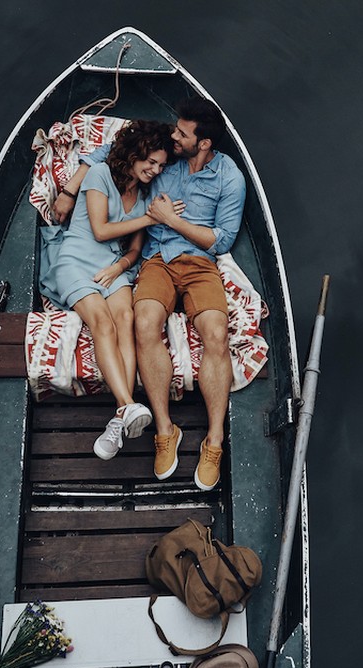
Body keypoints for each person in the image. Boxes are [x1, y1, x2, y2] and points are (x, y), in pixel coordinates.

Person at [38, 119, 174, 460]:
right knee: (102, 323)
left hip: (112, 267)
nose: (155, 170)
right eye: (151, 162)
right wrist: (152, 218)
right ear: (135, 154)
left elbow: (134, 250)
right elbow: (100, 230)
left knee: (125, 318)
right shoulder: (99, 174)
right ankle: (128, 405)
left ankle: (119, 418)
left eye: (161, 165)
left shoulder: (144, 196)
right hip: (76, 260)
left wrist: (120, 267)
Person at [136, 97, 246, 492]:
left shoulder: (229, 177)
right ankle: (166, 430)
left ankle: (214, 440)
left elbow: (221, 240)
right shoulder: (166, 155)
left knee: (216, 333)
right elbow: (117, 150)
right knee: (145, 323)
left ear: (204, 144)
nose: (173, 135)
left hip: (199, 264)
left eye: (182, 133)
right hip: (155, 261)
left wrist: (172, 220)